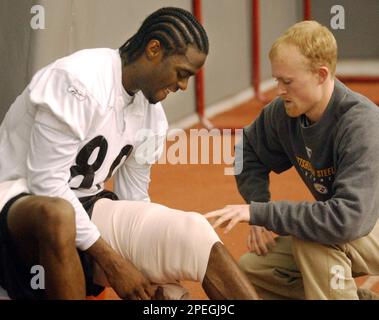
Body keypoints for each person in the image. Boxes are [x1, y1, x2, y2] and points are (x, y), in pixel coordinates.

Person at [0, 7, 259, 300]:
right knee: (57, 214)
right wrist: (114, 262)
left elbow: (134, 201)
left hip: (85, 204)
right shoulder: (76, 80)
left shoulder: (153, 117)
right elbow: (45, 183)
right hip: (16, 201)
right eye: (181, 73)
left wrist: (150, 263)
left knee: (192, 234)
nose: (183, 85)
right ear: (153, 49)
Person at [205, 20, 379, 300]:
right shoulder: (284, 112)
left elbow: (348, 220)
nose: (280, 90)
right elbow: (245, 151)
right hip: (347, 224)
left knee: (313, 238)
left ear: (321, 75)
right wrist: (257, 202)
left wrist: (261, 214)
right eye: (277, 80)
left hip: (368, 223)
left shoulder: (361, 124)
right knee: (253, 271)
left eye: (288, 82)